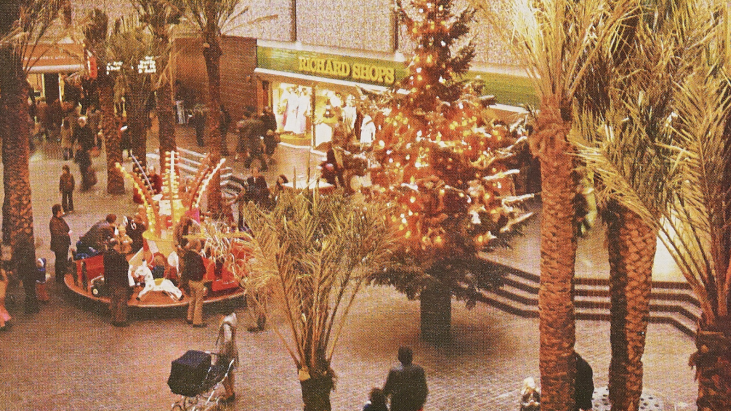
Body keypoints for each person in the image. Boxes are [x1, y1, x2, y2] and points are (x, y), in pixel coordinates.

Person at [383, 346, 428, 411]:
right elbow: (424, 390)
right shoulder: (419, 370)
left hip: (397, 406)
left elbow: (386, 389)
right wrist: (419, 404)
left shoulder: (394, 371)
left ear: (399, 358)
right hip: (413, 406)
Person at [104, 239, 130, 326]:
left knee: (113, 300)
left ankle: (113, 318)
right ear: (116, 246)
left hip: (110, 280)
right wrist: (124, 255)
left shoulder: (106, 255)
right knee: (121, 300)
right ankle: (120, 320)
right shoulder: (118, 257)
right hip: (120, 281)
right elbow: (124, 266)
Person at [215, 312, 239, 403]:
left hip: (225, 352)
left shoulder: (226, 323)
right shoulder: (233, 316)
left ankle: (228, 393)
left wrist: (223, 352)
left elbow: (227, 339)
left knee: (221, 372)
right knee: (230, 370)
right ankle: (232, 391)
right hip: (233, 350)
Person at [183, 239, 207, 327]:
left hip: (190, 281)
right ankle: (197, 322)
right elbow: (202, 270)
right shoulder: (198, 257)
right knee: (199, 301)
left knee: (192, 299)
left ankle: (189, 317)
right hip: (198, 281)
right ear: (197, 246)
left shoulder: (187, 255)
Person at [14, 235, 39, 314]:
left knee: (27, 290)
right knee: (32, 290)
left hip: (25, 273)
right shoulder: (31, 249)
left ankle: (29, 308)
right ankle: (35, 307)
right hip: (32, 272)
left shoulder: (18, 250)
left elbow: (18, 263)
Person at [50, 204, 71, 283]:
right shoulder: (53, 222)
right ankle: (59, 278)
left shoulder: (61, 219)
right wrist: (66, 234)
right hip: (59, 246)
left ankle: (63, 276)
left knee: (64, 260)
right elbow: (57, 234)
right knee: (59, 261)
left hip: (64, 244)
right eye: (61, 210)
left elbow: (67, 228)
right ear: (58, 211)